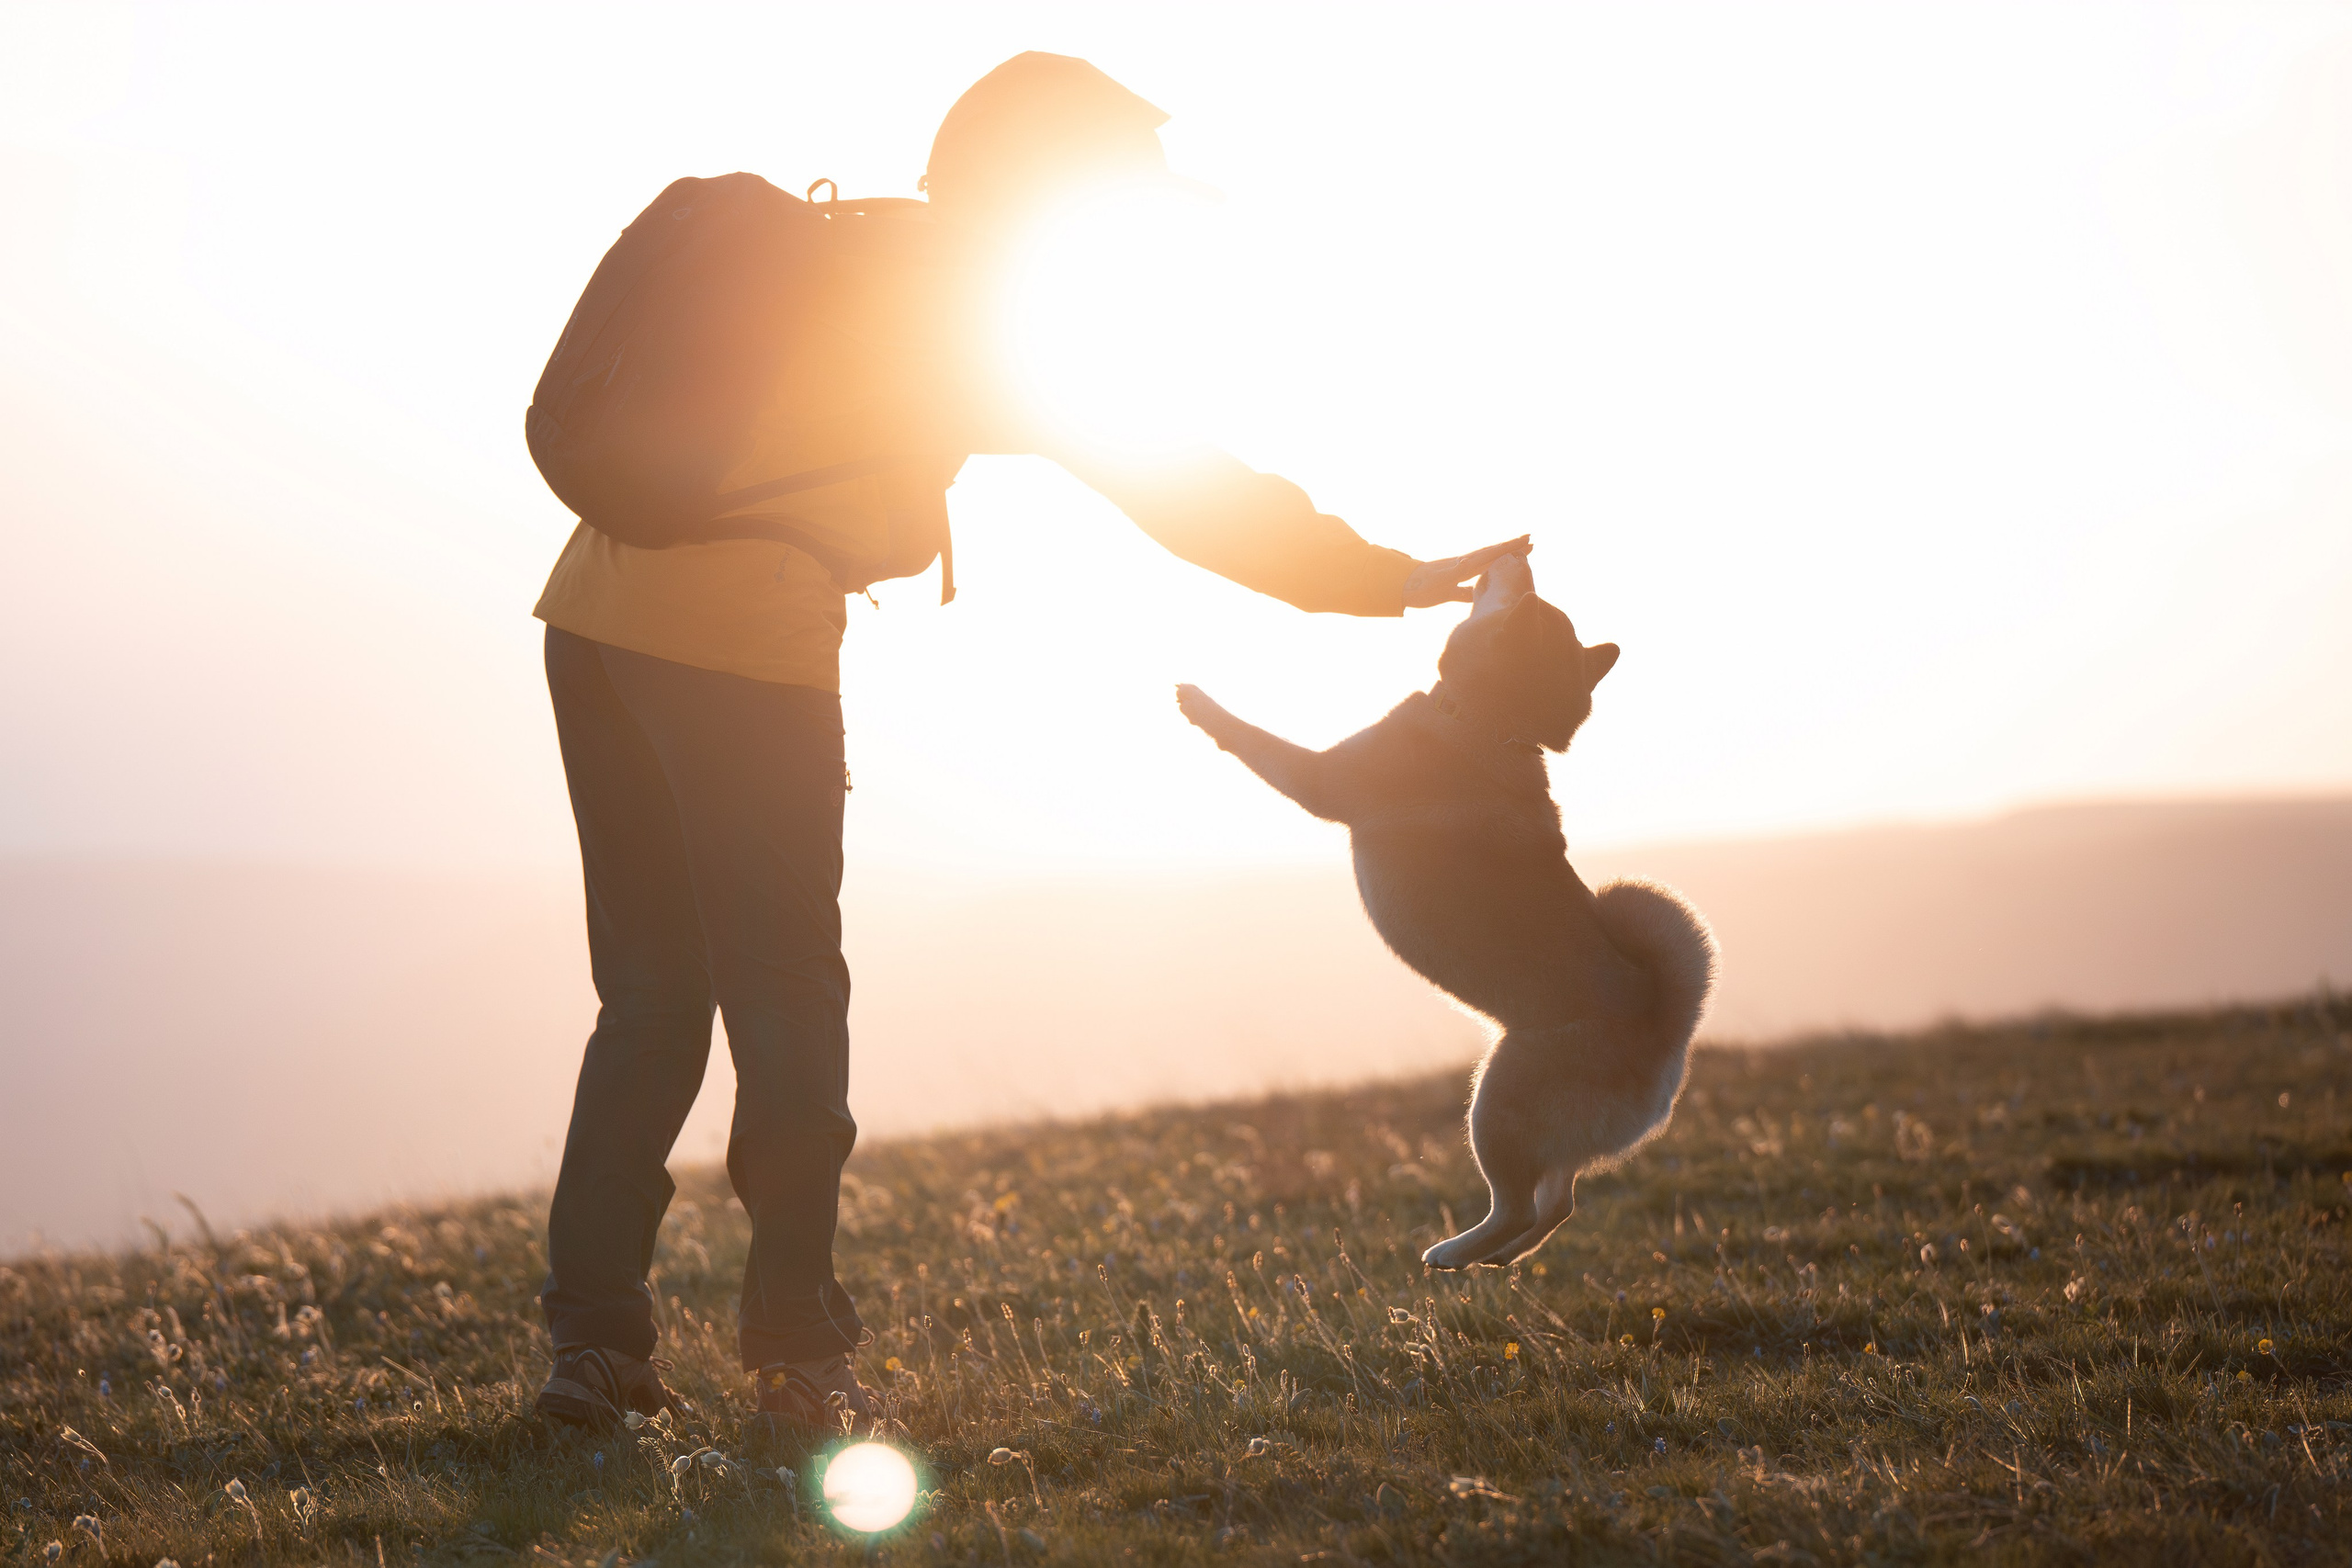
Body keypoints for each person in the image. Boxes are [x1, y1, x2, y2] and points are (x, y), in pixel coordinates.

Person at [527, 51, 1528, 1436]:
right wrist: (1385, 578)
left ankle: (592, 1355)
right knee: (786, 996)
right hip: (742, 644)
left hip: (592, 620)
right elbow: (1186, 488)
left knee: (648, 999)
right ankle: (801, 1363)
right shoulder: (985, 318)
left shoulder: (858, 246)